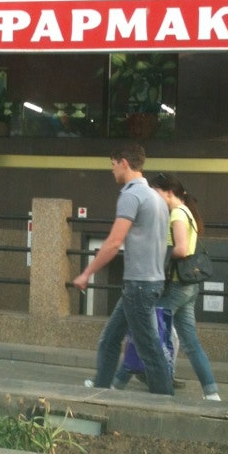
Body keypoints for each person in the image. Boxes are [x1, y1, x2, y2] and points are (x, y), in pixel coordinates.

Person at [72, 144, 174, 396]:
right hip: (150, 281)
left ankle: (166, 404)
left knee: (149, 349)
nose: (112, 170)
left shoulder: (131, 195)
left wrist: (86, 272)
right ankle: (100, 393)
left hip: (139, 284)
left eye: (113, 164)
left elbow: (113, 242)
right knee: (110, 340)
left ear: (124, 163)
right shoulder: (157, 198)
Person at [149, 172, 221, 401]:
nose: (154, 197)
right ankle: (211, 393)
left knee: (149, 329)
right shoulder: (187, 211)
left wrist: (158, 253)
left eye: (156, 192)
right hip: (189, 286)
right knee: (190, 343)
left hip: (177, 285)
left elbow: (181, 249)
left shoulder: (177, 214)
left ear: (169, 192)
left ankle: (119, 380)